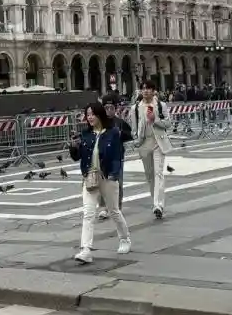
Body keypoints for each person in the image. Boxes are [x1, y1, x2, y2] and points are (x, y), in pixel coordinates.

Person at [74, 100, 131, 263]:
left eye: (92, 114)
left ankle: (125, 238)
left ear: (99, 114)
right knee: (88, 213)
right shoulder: (85, 134)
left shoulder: (112, 132)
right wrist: (74, 146)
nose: (90, 117)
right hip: (90, 177)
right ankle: (85, 249)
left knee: (113, 211)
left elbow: (116, 155)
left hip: (107, 176)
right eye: (87, 114)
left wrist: (114, 174)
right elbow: (77, 156)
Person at [127, 78, 172, 220]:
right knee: (149, 175)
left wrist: (155, 120)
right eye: (143, 88)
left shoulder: (160, 105)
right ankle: (155, 202)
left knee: (158, 173)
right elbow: (133, 127)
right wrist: (135, 138)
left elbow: (168, 123)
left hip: (158, 142)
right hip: (144, 143)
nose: (145, 90)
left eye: (148, 88)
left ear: (153, 91)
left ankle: (158, 205)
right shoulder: (135, 108)